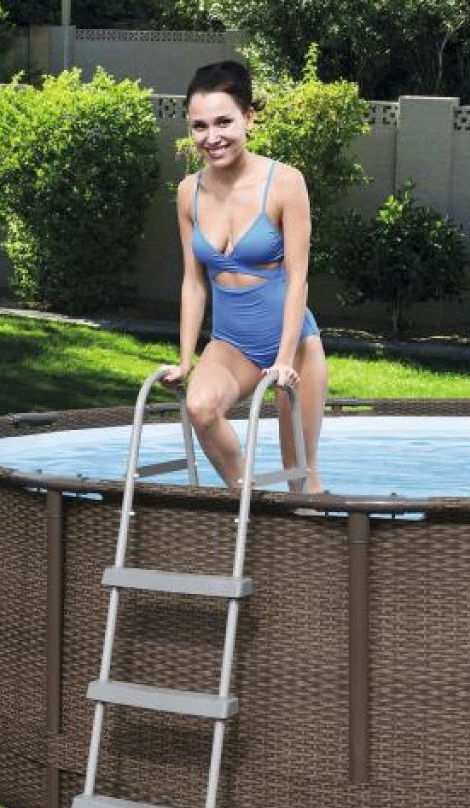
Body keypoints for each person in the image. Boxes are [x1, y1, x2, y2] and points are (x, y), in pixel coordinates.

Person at [161, 60, 328, 493]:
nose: (211, 137)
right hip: (232, 343)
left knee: (301, 475)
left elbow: (298, 278)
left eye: (223, 122)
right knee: (200, 408)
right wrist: (185, 358)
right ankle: (249, 499)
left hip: (293, 343)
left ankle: (313, 527)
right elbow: (193, 281)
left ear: (249, 118)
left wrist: (285, 359)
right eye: (199, 126)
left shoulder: (285, 183)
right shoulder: (188, 192)